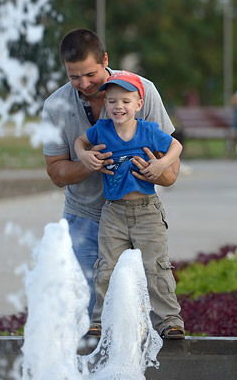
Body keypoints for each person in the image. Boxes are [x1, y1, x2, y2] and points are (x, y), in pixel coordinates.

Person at [41, 28, 179, 317]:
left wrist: (155, 169)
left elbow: (172, 172)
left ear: (105, 59)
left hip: (140, 214)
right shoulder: (55, 106)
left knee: (146, 305)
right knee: (90, 313)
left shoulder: (142, 90)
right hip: (86, 219)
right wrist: (87, 164)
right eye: (73, 77)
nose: (84, 83)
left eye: (90, 74)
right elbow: (55, 172)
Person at [74, 71, 185, 339]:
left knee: (156, 267)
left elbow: (176, 146)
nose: (118, 106)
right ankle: (99, 321)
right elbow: (80, 141)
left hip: (147, 210)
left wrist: (161, 164)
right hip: (113, 211)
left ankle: (169, 321)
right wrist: (84, 156)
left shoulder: (148, 130)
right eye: (112, 101)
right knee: (105, 268)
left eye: (125, 100)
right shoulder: (102, 130)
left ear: (138, 104)